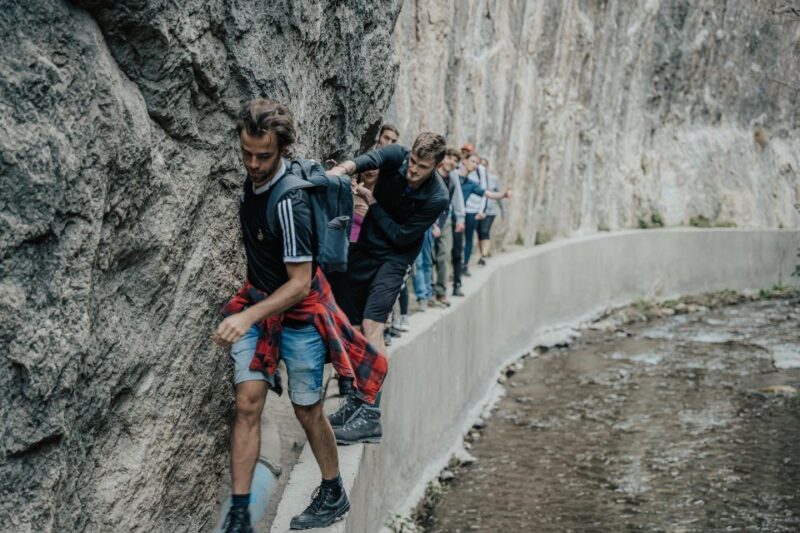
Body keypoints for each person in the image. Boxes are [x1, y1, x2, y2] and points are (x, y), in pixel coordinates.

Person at [213, 99, 387, 532]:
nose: (253, 164)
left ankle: (333, 490)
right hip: (262, 310)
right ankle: (239, 515)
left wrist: (247, 316)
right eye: (247, 154)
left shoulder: (290, 201)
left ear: (282, 150)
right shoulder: (250, 187)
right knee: (247, 403)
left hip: (300, 317)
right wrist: (253, 312)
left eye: (264, 156)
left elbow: (299, 283)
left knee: (306, 409)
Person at [327, 132, 449, 443]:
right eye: (412, 161)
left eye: (422, 166)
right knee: (351, 327)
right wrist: (342, 170)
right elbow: (370, 159)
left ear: (436, 166)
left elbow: (400, 235)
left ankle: (370, 414)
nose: (412, 169)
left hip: (394, 259)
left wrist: (373, 203)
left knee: (372, 325)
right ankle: (355, 400)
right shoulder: (398, 156)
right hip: (365, 249)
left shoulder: (437, 197)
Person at [460, 153, 510, 275]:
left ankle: (468, 263)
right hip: (462, 210)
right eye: (476, 163)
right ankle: (459, 265)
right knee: (460, 239)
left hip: (476, 211)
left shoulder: (484, 176)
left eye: (481, 164)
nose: (478, 166)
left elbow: (485, 193)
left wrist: (482, 210)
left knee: (477, 235)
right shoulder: (463, 175)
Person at [432, 147, 466, 304]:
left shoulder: (452, 179)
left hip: (444, 220)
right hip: (427, 218)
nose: (451, 162)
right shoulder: (432, 173)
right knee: (428, 257)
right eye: (448, 158)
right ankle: (428, 291)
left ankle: (440, 291)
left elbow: (455, 198)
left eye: (454, 160)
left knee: (444, 254)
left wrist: (460, 218)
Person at [476, 157, 504, 265]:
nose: (482, 167)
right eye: (480, 165)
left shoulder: (494, 179)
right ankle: (482, 253)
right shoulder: (475, 178)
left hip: (490, 211)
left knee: (484, 231)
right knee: (479, 233)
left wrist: (503, 211)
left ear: (487, 167)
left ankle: (483, 255)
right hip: (478, 210)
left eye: (484, 165)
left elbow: (500, 195)